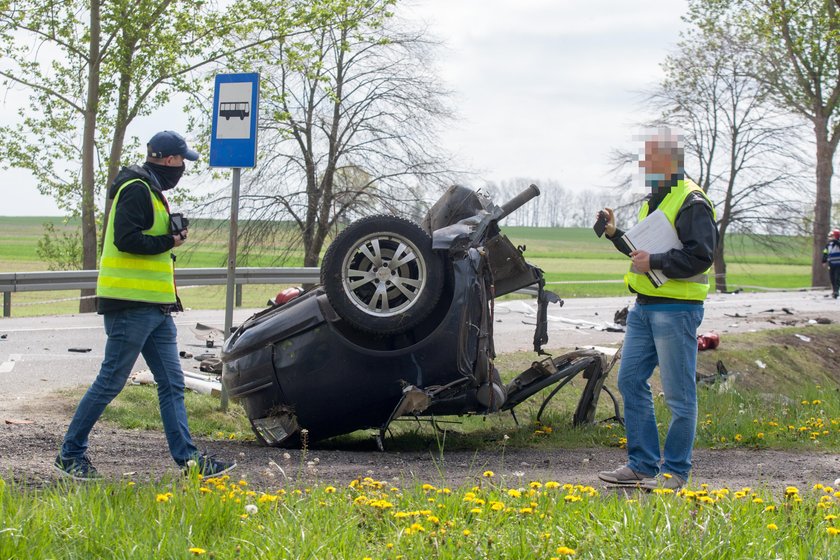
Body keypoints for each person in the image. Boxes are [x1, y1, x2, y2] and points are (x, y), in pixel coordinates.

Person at [54, 131, 236, 480]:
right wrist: (171, 239)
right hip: (131, 306)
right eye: (182, 161)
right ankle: (69, 454)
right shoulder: (136, 189)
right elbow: (126, 239)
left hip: (157, 308)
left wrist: (168, 241)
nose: (183, 167)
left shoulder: (150, 190)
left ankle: (190, 461)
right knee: (110, 381)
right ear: (169, 160)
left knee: (173, 383)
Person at [596, 127, 718, 490]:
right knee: (630, 380)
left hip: (677, 310)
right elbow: (643, 255)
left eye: (650, 159)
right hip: (644, 308)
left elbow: (701, 256)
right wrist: (617, 234)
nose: (644, 165)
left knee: (680, 395)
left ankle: (676, 472)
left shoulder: (692, 200)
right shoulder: (658, 198)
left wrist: (656, 260)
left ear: (670, 161)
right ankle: (642, 465)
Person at [822, 229, 840, 299]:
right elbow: (825, 252)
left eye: (832, 236)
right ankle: (834, 291)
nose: (830, 238)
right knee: (832, 278)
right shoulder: (828, 245)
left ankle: (836, 291)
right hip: (831, 264)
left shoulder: (838, 243)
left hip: (838, 264)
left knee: (837, 278)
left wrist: (835, 241)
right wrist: (824, 260)